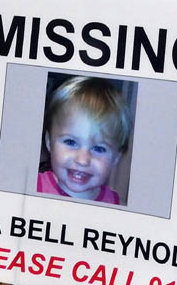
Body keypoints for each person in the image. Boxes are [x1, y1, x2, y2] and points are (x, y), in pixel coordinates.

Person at [37, 76, 131, 204]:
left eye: (99, 148)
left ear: (116, 157)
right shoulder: (33, 187)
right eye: (71, 142)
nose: (82, 160)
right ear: (49, 142)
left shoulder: (114, 203)